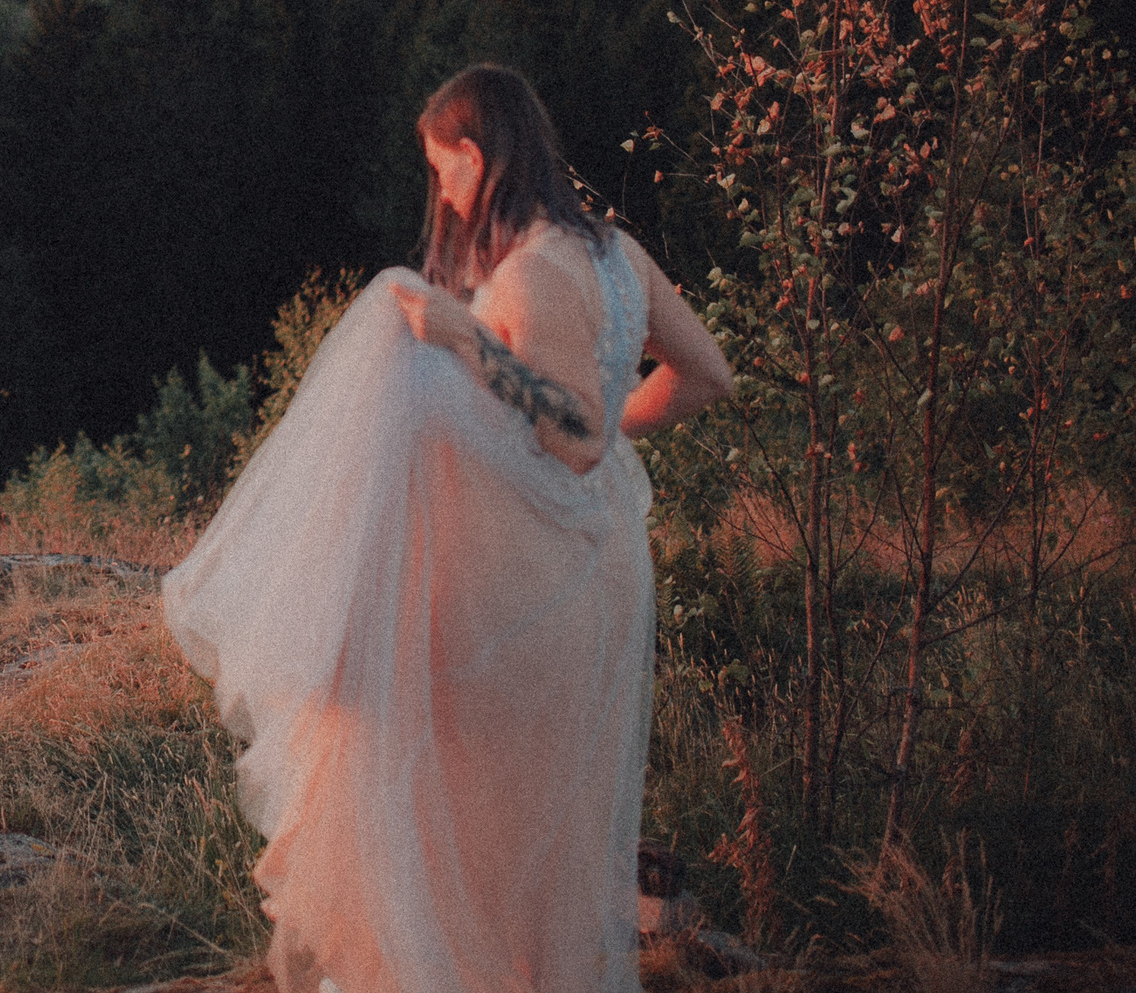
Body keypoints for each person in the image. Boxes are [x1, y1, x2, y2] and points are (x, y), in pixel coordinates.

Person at [162, 64, 732, 993]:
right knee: (550, 816)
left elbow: (578, 436)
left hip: (533, 584)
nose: (442, 190)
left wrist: (464, 338)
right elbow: (707, 376)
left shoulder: (538, 272)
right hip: (603, 564)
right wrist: (608, 432)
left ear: (475, 155)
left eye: (442, 167)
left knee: (482, 811)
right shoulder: (618, 256)